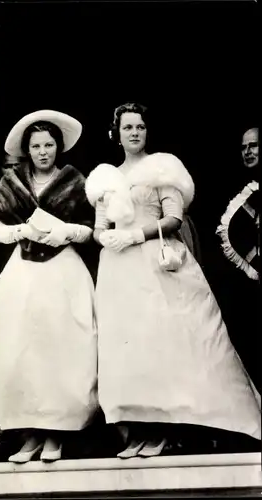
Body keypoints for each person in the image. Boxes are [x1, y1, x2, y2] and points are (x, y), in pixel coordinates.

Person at [85, 102, 261, 458]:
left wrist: (136, 236)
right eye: (127, 127)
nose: (134, 133)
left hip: (154, 262)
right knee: (127, 346)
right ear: (116, 134)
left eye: (140, 127)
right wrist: (104, 237)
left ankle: (165, 429)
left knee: (160, 343)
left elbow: (173, 219)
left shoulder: (163, 168)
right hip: (119, 270)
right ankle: (136, 430)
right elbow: (99, 226)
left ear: (147, 132)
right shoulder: (106, 176)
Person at [0, 110, 98, 463]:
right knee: (21, 347)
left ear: (58, 147)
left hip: (63, 271)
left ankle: (57, 434)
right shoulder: (13, 181)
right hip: (24, 272)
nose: (43, 152)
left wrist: (68, 232)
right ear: (27, 150)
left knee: (62, 347)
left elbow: (92, 229)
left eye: (48, 145)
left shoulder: (74, 181)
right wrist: (21, 231)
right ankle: (29, 435)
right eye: (36, 146)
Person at [216, 127, 260, 392]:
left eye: (254, 146)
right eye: (244, 147)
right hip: (247, 284)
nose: (248, 152)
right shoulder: (239, 191)